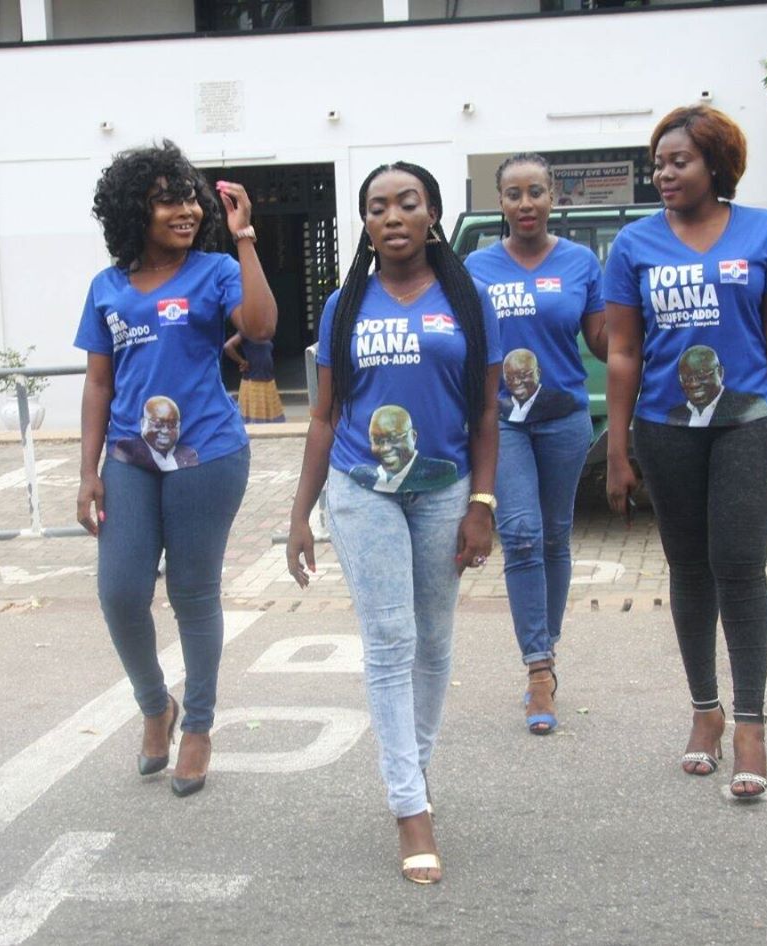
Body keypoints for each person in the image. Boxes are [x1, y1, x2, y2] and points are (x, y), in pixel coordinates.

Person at [286, 161, 500, 884]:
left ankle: (414, 768)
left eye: (407, 202)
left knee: (434, 642)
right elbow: (322, 417)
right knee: (389, 639)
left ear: (432, 212)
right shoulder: (345, 306)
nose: (393, 216)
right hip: (360, 488)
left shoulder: (467, 301)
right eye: (378, 207)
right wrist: (300, 514)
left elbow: (485, 414)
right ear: (367, 223)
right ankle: (411, 807)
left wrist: (483, 504)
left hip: (443, 488)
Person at [604, 106, 767, 799]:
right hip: (666, 428)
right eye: (658, 162)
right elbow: (624, 351)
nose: (663, 173)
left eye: (678, 161)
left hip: (749, 420)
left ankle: (750, 723)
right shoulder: (633, 246)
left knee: (740, 567)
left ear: (715, 164)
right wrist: (619, 450)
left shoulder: (764, 231)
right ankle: (705, 713)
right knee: (688, 568)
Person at [75, 141, 277, 798]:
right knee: (119, 592)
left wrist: (244, 238)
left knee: (193, 594)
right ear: (137, 209)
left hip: (206, 455)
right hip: (130, 459)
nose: (186, 209)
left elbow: (261, 324)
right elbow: (99, 384)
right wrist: (88, 471)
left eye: (190, 197)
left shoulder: (215, 268)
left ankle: (199, 726)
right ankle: (154, 704)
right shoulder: (106, 287)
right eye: (169, 198)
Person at [464, 152, 608, 736]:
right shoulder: (475, 267)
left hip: (565, 419)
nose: (526, 204)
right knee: (520, 533)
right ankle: (539, 670)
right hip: (503, 423)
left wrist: (640, 330)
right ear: (500, 202)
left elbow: (602, 339)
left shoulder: (581, 263)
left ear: (555, 198)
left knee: (555, 536)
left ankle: (546, 646)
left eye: (537, 192)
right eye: (514, 194)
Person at [349, 404, 458, 492]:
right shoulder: (361, 475)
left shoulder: (440, 472)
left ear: (413, 437)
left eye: (394, 438)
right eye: (377, 441)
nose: (385, 448)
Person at [666, 345, 767, 427]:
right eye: (686, 378)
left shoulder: (750, 407)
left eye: (702, 375)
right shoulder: (674, 415)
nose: (694, 384)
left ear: (720, 373)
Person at [112, 395, 199, 471]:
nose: (165, 431)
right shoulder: (128, 449)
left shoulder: (188, 455)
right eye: (158, 424)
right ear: (143, 423)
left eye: (172, 424)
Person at [223, 331, 286, 423]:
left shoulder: (265, 333)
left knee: (272, 420)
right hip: (254, 382)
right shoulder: (246, 331)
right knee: (255, 420)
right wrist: (242, 361)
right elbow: (228, 346)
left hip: (268, 381)